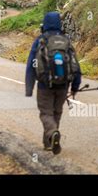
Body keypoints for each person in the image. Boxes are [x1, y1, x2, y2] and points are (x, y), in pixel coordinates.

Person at [25, 12, 81, 155]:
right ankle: (48, 142)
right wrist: (75, 86)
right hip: (63, 85)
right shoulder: (66, 41)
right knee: (56, 112)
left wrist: (29, 88)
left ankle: (52, 132)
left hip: (45, 85)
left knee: (45, 113)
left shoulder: (40, 41)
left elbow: (32, 64)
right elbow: (76, 66)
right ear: (59, 24)